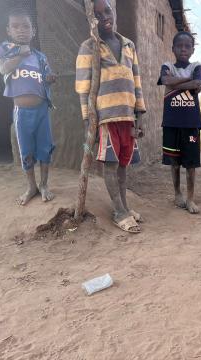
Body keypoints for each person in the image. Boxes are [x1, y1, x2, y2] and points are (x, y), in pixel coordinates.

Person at [76, 0, 146, 233]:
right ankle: (119, 211)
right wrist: (88, 120)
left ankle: (125, 206)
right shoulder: (89, 47)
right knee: (111, 164)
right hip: (105, 118)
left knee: (123, 165)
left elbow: (136, 81)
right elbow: (83, 87)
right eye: (97, 14)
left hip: (127, 116)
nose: (104, 16)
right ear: (90, 19)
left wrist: (140, 114)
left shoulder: (128, 45)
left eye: (107, 10)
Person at [0, 8, 57, 206]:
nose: (21, 30)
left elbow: (46, 78)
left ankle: (44, 184)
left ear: (33, 31)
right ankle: (31, 186)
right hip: (22, 113)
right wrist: (20, 53)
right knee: (26, 150)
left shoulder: (40, 57)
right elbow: (3, 68)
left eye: (26, 26)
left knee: (45, 148)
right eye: (16, 26)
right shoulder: (6, 50)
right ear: (8, 30)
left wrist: (49, 79)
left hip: (42, 111)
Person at [158, 31, 201, 214]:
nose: (183, 49)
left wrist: (174, 84)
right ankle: (177, 194)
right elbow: (165, 80)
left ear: (193, 50)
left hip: (191, 124)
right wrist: (190, 81)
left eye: (187, 46)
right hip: (171, 123)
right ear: (173, 49)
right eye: (180, 46)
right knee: (174, 162)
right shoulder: (167, 65)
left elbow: (197, 84)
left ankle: (190, 198)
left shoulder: (196, 65)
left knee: (191, 163)